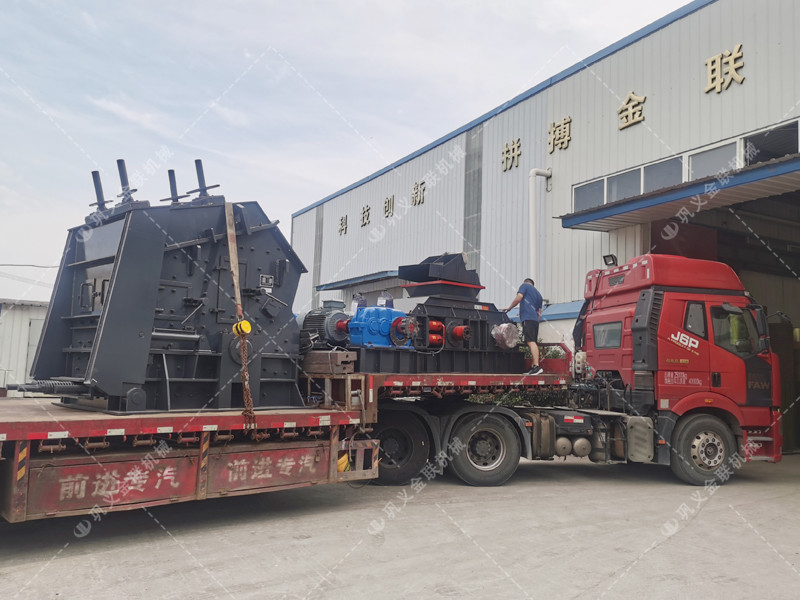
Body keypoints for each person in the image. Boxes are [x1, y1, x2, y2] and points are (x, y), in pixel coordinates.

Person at [504, 278, 544, 375]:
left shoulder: (524, 286)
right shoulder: (538, 294)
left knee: (530, 342)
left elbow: (519, 298)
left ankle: (536, 366)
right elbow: (539, 312)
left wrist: (509, 308)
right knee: (533, 342)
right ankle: (533, 367)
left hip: (528, 318)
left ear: (526, 282)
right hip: (534, 320)